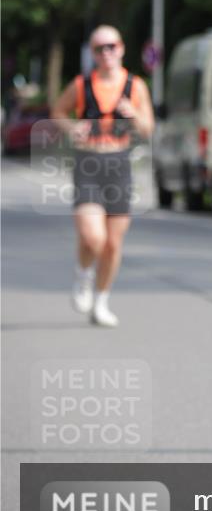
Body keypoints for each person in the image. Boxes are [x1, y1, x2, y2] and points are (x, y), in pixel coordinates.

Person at [51, 25, 154, 327]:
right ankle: (83, 275)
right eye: (99, 48)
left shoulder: (135, 87)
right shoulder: (81, 84)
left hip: (119, 165)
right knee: (92, 237)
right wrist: (72, 129)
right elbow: (58, 111)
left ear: (121, 48)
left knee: (112, 244)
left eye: (111, 46)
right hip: (88, 163)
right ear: (92, 54)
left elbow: (148, 129)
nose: (106, 52)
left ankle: (101, 301)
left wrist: (133, 114)